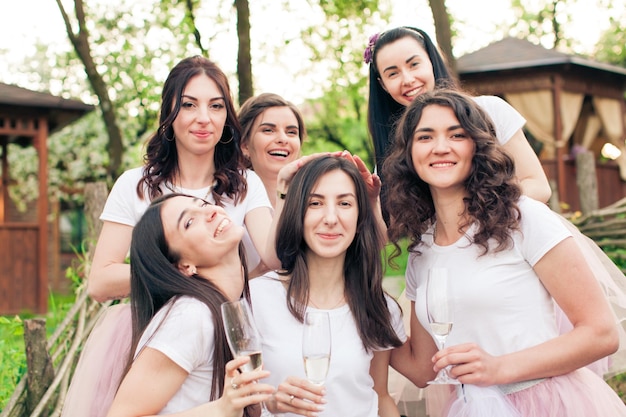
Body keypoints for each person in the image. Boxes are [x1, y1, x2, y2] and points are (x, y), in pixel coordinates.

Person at [383, 89, 626, 416]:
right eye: (425, 137)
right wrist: (362, 306)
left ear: (477, 147)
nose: (441, 147)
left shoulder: (523, 218)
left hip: (547, 405)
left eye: (457, 135)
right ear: (409, 154)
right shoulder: (422, 250)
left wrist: (499, 368)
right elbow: (424, 369)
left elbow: (601, 334)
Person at [88, 56, 275, 302]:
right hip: (165, 327)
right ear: (169, 113)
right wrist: (182, 271)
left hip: (233, 327)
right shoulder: (134, 185)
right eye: (189, 105)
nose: (204, 118)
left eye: (216, 106)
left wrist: (291, 186)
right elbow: (100, 282)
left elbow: (273, 258)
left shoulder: (246, 184)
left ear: (226, 117)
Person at [249, 155, 407, 417]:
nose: (331, 218)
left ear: (359, 219)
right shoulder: (257, 298)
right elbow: (233, 400)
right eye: (315, 203)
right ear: (297, 213)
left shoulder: (379, 306)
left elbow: (379, 395)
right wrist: (269, 402)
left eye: (345, 203)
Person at [105, 194, 274, 416]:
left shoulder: (231, 304)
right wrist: (222, 409)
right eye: (189, 222)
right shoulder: (191, 316)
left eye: (203, 204)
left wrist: (274, 403)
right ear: (183, 266)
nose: (211, 211)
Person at [364, 26, 552, 207]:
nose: (407, 79)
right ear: (383, 85)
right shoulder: (391, 151)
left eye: (414, 64)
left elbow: (538, 186)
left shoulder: (490, 110)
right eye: (393, 73)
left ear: (431, 61)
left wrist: (473, 221)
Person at [238, 92, 306, 208]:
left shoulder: (314, 197)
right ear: (245, 145)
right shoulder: (227, 203)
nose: (283, 139)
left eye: (291, 132)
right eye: (268, 130)